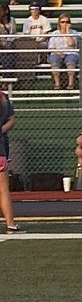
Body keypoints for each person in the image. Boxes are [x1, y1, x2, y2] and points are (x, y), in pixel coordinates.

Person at [0, 90, 19, 233]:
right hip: (0, 149)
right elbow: (11, 120)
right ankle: (10, 223)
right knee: (3, 189)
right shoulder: (4, 99)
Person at [46, 11, 80, 89]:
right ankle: (57, 84)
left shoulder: (74, 33)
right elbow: (51, 47)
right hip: (57, 53)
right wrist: (58, 52)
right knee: (54, 59)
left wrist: (68, 32)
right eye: (63, 22)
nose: (65, 24)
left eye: (67, 22)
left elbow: (71, 44)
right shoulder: (55, 33)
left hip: (71, 52)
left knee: (71, 60)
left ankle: (71, 84)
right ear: (59, 23)